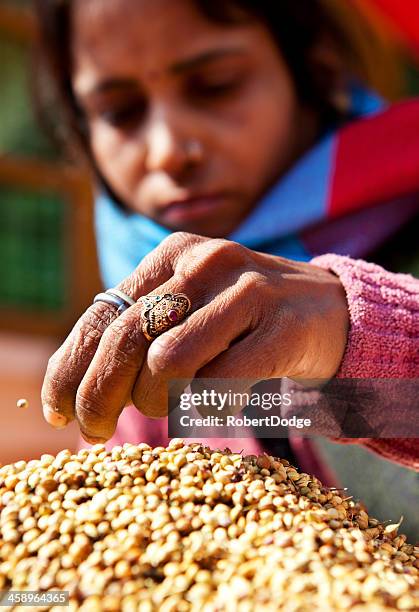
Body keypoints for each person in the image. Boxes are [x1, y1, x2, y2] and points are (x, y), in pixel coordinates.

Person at [34, 0, 419, 484]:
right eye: (120, 112)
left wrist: (348, 329)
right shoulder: (144, 360)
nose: (169, 150)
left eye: (216, 85)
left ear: (313, 70)